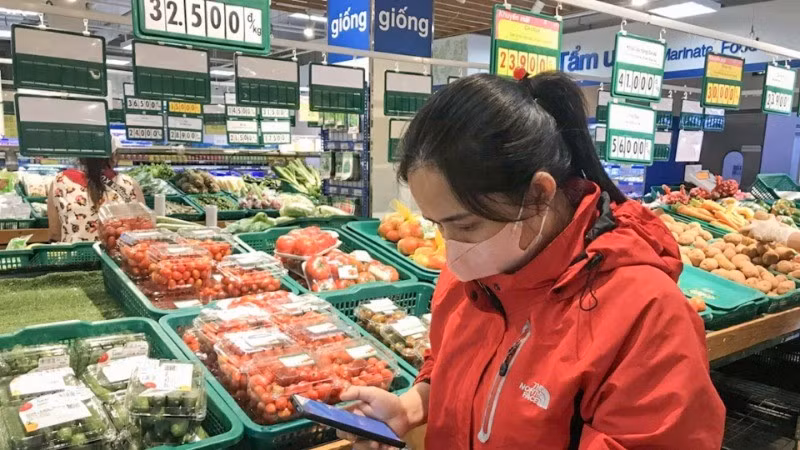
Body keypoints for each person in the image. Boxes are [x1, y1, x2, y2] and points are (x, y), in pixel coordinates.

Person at [338, 72, 725, 449]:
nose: (452, 247)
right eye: (438, 225)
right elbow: (454, 370)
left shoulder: (646, 315)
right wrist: (410, 406)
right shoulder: (471, 279)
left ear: (539, 194)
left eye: (466, 224)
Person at [48, 153, 144, 243]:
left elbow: (55, 233)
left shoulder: (60, 182)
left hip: (75, 258)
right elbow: (142, 232)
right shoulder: (129, 184)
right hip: (116, 258)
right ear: (113, 155)